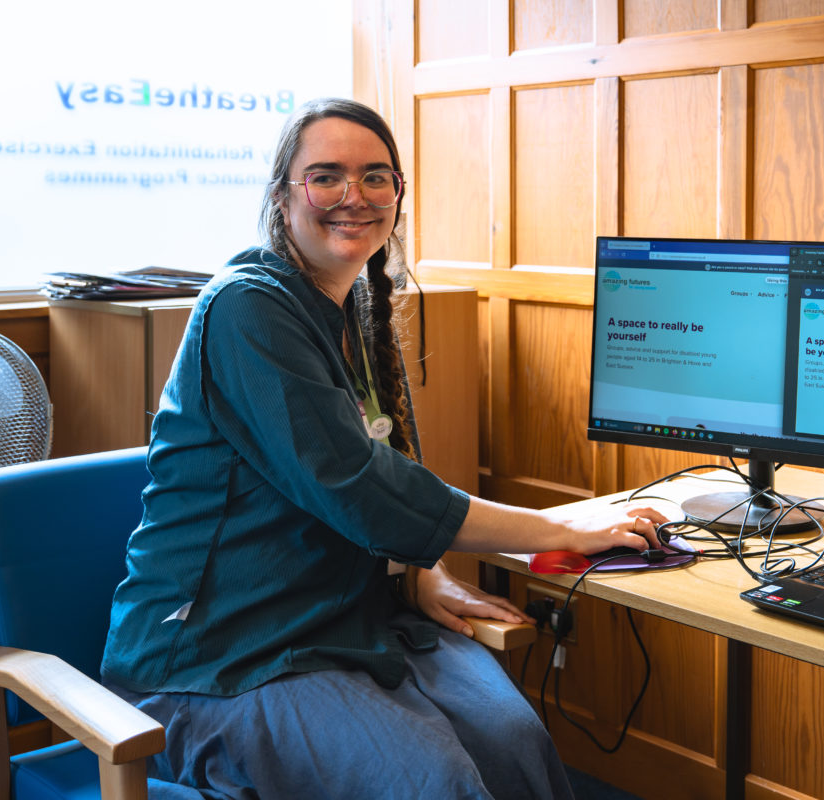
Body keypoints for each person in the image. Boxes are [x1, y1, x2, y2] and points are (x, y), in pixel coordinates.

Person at [100, 97, 667, 800]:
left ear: (398, 193)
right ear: (283, 197)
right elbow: (362, 490)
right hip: (225, 658)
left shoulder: (354, 308)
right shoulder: (247, 308)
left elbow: (387, 472)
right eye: (326, 176)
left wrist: (420, 574)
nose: (354, 196)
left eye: (376, 177)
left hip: (349, 619)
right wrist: (563, 527)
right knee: (439, 781)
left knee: (516, 746)